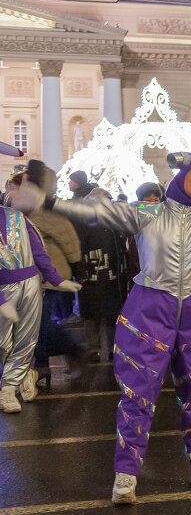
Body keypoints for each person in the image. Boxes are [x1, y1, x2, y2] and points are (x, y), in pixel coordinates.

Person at [8, 154, 191, 502]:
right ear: (180, 179)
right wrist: (47, 201)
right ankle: (126, 472)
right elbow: (95, 212)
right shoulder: (146, 213)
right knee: (137, 392)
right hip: (150, 309)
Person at [0, 172, 80, 413]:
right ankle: (22, 375)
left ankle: (7, 389)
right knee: (4, 343)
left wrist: (57, 280)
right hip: (4, 289)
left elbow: (39, 253)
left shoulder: (18, 219)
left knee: (26, 340)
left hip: (31, 285)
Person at [27, 199, 85, 385]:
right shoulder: (25, 215)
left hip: (50, 274)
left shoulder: (43, 215)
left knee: (40, 323)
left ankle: (68, 353)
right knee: (38, 323)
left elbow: (69, 241)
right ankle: (48, 362)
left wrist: (78, 267)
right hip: (34, 276)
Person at [77, 185, 131, 361]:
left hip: (112, 277)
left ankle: (112, 349)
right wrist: (80, 271)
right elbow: (77, 248)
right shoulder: (84, 222)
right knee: (93, 315)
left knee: (111, 315)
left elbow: (120, 248)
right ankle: (94, 349)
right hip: (93, 276)